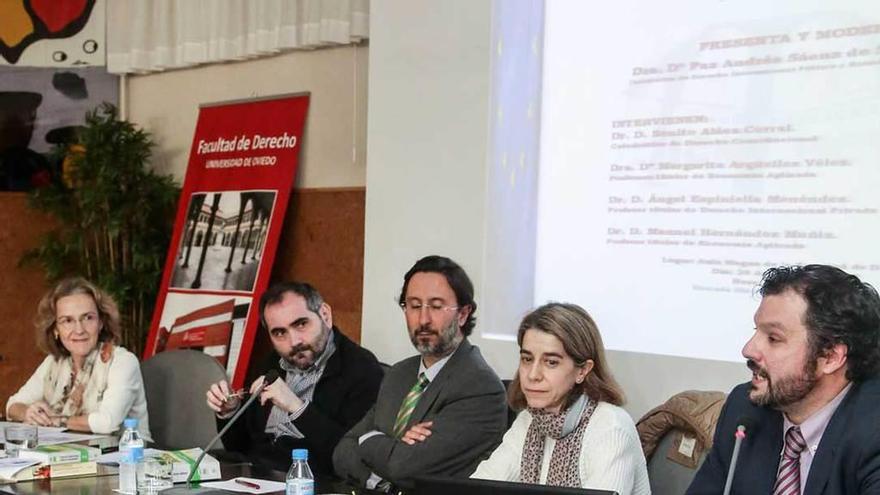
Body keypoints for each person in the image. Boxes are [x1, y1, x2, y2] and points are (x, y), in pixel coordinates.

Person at [688, 264, 880, 495]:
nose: (748, 349)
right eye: (755, 331)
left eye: (773, 338)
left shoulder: (872, 435)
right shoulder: (744, 409)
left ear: (830, 357)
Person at [333, 255, 508, 490]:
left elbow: (404, 468)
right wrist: (382, 475)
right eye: (414, 306)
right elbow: (343, 451)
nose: (423, 319)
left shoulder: (481, 387)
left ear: (463, 314)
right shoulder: (398, 375)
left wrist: (369, 439)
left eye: (436, 306)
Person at [206, 281, 383, 475]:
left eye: (301, 324)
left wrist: (297, 407)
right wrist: (231, 412)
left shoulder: (361, 369)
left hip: (311, 483)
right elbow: (239, 446)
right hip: (257, 477)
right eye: (280, 333)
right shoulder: (272, 363)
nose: (294, 342)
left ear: (325, 315)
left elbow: (354, 459)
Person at [471, 303, 650, 494]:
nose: (533, 375)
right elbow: (478, 488)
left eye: (551, 362)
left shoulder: (611, 427)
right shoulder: (530, 419)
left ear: (582, 370)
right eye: (527, 359)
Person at [6, 277, 151, 439]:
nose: (79, 329)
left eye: (88, 318)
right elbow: (12, 405)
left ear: (101, 322)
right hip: (70, 453)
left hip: (126, 457)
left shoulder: (122, 361)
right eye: (67, 320)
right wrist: (28, 413)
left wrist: (54, 420)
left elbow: (107, 422)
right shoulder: (53, 363)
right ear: (55, 329)